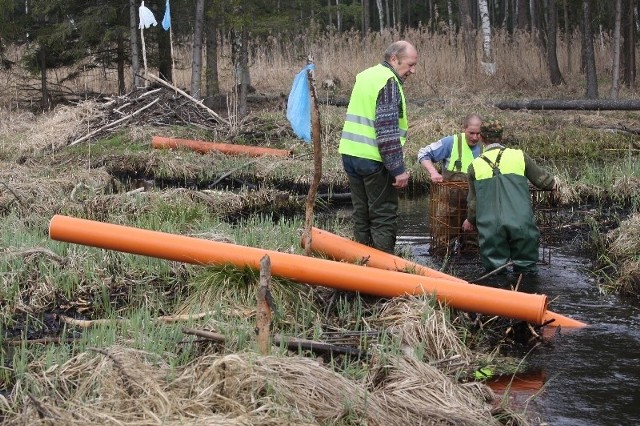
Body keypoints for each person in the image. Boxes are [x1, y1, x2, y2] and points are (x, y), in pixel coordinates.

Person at [338, 40, 418, 254]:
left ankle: (362, 262)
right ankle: (383, 268)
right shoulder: (388, 81)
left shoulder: (366, 75)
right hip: (373, 159)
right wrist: (398, 170)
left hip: (350, 154)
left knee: (361, 212)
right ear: (394, 59)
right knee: (383, 214)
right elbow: (387, 132)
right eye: (410, 65)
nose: (413, 70)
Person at [462, 120, 557, 274]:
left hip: (491, 227)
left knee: (495, 272)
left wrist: (470, 220)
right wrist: (554, 185)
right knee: (526, 269)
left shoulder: (475, 165)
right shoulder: (519, 156)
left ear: (482, 137)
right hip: (521, 223)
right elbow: (546, 182)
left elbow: (473, 202)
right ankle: (528, 295)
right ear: (501, 137)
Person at [417, 113, 484, 183]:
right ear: (464, 128)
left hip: (479, 192)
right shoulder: (450, 142)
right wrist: (433, 172)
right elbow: (423, 154)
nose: (475, 137)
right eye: (471, 133)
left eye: (478, 133)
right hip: (451, 193)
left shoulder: (487, 145)